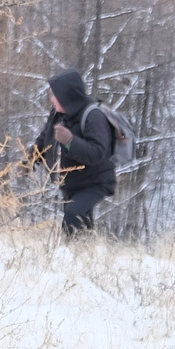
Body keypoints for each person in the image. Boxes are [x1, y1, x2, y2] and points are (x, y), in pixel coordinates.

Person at [31, 69, 117, 233]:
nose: (52, 98)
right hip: (72, 184)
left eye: (55, 95)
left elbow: (97, 153)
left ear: (66, 96)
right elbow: (44, 139)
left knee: (73, 215)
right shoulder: (58, 114)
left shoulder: (93, 116)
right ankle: (84, 255)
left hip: (95, 183)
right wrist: (29, 160)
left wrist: (70, 141)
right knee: (80, 225)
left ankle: (73, 254)